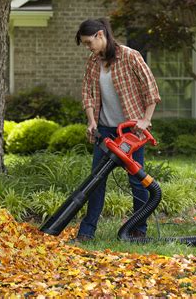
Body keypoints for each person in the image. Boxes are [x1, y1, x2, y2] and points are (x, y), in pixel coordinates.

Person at [74, 18, 161, 242]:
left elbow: (151, 89)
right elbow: (88, 94)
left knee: (137, 181)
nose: (88, 47)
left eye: (88, 42)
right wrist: (91, 121)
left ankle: (138, 230)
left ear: (100, 35)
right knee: (96, 181)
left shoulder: (130, 56)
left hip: (130, 133)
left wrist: (145, 119)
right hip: (105, 131)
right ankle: (86, 232)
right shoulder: (93, 62)